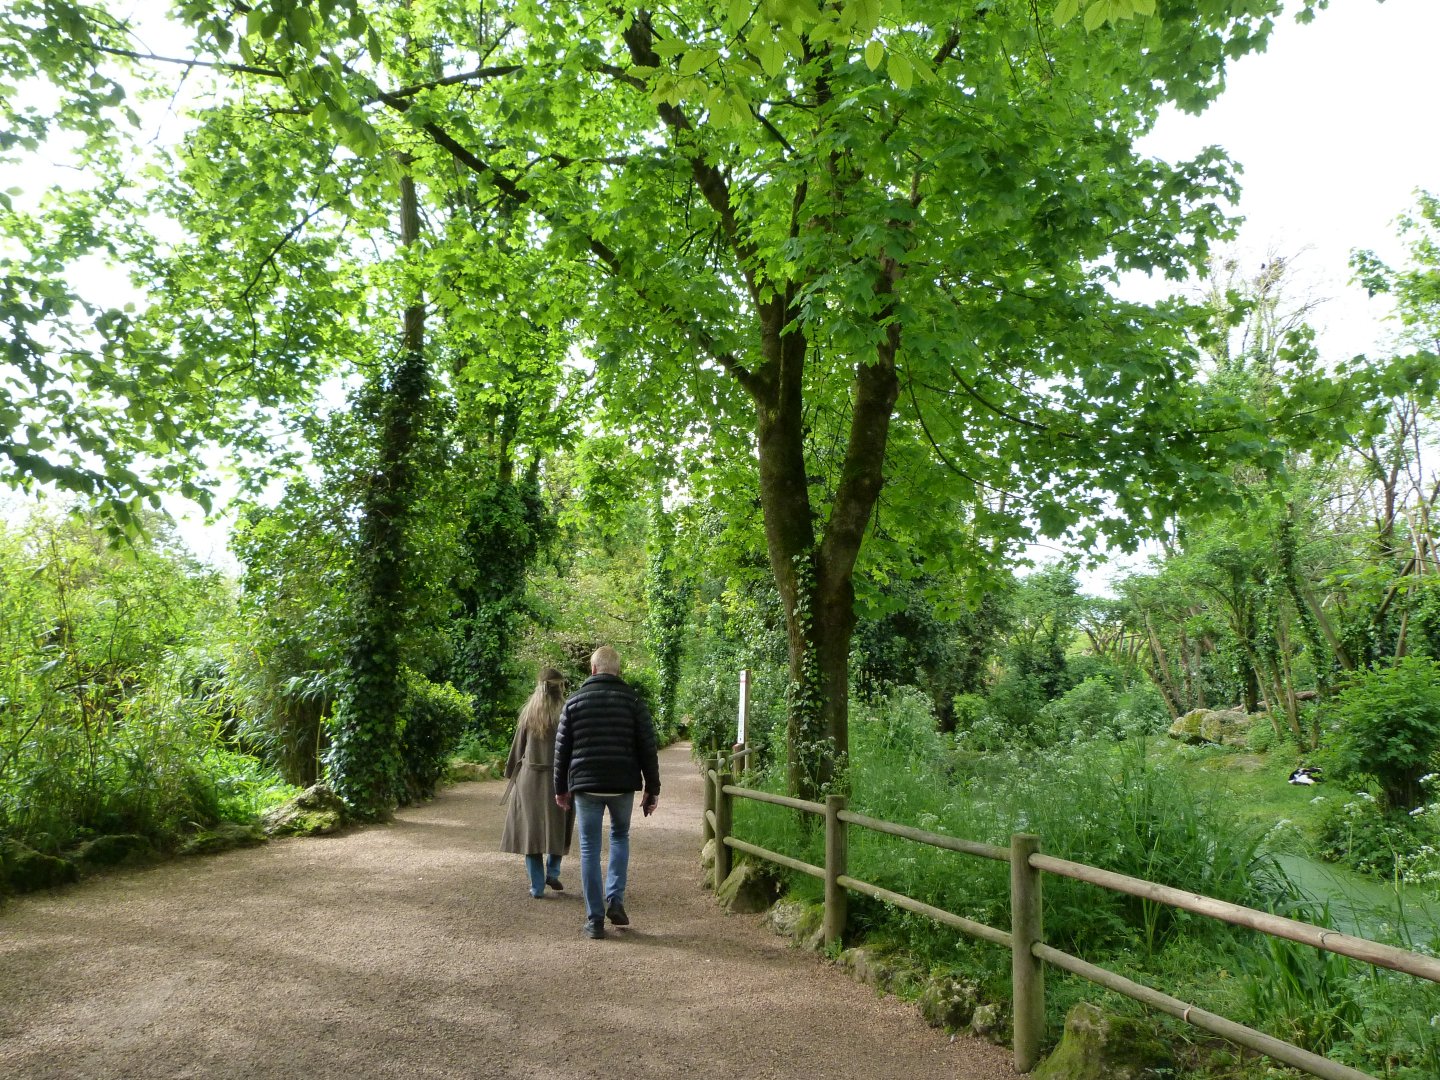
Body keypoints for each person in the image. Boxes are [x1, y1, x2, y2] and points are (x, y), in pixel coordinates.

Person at [553, 646, 660, 940]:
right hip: (622, 784)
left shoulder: (574, 702)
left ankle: (595, 919)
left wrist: (560, 788)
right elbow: (647, 747)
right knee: (620, 836)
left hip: (586, 785)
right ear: (618, 670)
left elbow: (561, 750)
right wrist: (652, 788)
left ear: (593, 669)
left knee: (589, 848)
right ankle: (616, 899)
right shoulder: (634, 702)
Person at [500, 667, 574, 899]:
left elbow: (517, 749)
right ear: (560, 687)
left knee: (530, 833)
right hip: (559, 779)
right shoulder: (567, 712)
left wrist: (509, 772)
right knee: (558, 826)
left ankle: (537, 885)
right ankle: (553, 870)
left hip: (530, 780)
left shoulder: (529, 713)